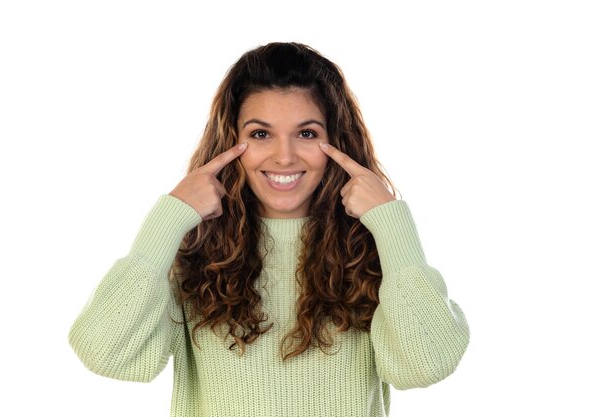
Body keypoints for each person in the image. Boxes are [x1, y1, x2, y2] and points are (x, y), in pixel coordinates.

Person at [69, 42, 470, 417]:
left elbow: (426, 365)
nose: (284, 156)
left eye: (307, 133)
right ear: (230, 142)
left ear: (337, 142)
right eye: (260, 134)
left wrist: (390, 223)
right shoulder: (192, 254)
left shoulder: (375, 252)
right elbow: (106, 354)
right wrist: (168, 220)